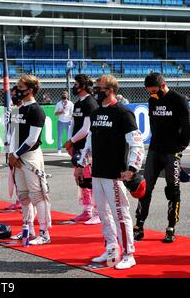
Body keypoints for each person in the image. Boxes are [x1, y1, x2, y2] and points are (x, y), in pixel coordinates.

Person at [75, 74, 144, 270]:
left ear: (111, 90)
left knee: (120, 215)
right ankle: (112, 249)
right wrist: (81, 164)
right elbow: (89, 142)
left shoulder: (123, 113)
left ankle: (129, 254)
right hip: (97, 172)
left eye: (99, 87)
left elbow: (136, 144)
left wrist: (132, 168)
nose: (95, 90)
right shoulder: (96, 113)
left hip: (115, 174)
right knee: (104, 215)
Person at [134, 73, 190, 243]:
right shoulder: (152, 100)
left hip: (172, 152)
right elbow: (153, 124)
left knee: (172, 190)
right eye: (149, 92)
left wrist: (179, 149)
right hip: (154, 150)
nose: (152, 95)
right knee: (145, 188)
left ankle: (171, 227)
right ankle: (139, 225)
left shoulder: (179, 100)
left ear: (163, 84)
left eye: (154, 91)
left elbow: (187, 128)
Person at [8, 75, 52, 245]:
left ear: (30, 89)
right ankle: (28, 229)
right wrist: (12, 155)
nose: (17, 90)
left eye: (20, 86)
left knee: (37, 195)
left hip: (30, 157)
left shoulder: (36, 110)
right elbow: (13, 135)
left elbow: (33, 139)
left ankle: (44, 232)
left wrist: (16, 155)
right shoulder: (18, 109)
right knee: (23, 195)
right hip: (17, 157)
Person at [64, 74, 101, 225]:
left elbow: (86, 129)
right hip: (77, 146)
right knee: (81, 180)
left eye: (76, 84)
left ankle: (98, 212)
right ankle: (87, 211)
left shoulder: (90, 103)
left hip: (88, 147)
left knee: (91, 179)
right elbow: (73, 125)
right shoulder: (78, 103)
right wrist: (70, 143)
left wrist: (71, 141)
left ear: (84, 86)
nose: (74, 87)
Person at [4, 86, 22, 211]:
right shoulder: (13, 111)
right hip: (12, 146)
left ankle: (23, 200)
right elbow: (9, 129)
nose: (13, 97)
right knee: (14, 175)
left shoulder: (24, 111)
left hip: (21, 148)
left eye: (15, 94)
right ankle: (18, 199)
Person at [54, 91, 74, 155]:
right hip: (60, 121)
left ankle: (69, 149)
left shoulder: (70, 103)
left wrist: (71, 118)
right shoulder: (58, 104)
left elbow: (72, 113)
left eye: (65, 98)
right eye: (63, 98)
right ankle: (59, 150)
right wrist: (60, 112)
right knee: (60, 136)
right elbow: (55, 113)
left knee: (69, 136)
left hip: (68, 122)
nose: (64, 99)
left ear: (67, 97)